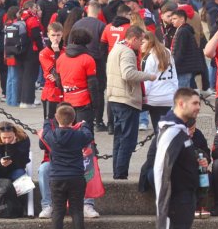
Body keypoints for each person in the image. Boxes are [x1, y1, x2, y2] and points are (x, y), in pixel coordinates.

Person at [154, 87, 202, 229]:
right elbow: (161, 171)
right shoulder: (172, 132)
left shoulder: (180, 131)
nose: (198, 107)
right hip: (175, 201)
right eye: (195, 103)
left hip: (185, 198)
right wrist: (166, 203)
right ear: (181, 104)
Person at [40, 104, 93, 229]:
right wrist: (83, 125)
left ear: (57, 119)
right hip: (76, 177)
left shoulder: (52, 135)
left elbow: (45, 132)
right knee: (77, 210)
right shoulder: (79, 136)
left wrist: (47, 120)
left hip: (57, 177)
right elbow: (88, 135)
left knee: (58, 211)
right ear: (73, 119)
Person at [106, 26, 156, 179]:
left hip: (115, 98)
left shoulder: (116, 48)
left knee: (119, 139)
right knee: (128, 140)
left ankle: (117, 173)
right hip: (126, 100)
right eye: (140, 40)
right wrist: (149, 76)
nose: (141, 44)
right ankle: (121, 174)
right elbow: (128, 73)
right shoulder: (127, 52)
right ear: (134, 39)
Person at [55, 28, 98, 135]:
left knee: (66, 133)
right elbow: (92, 84)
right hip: (83, 100)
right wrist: (95, 103)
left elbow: (58, 81)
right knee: (86, 133)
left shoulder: (61, 58)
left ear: (72, 40)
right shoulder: (88, 59)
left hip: (67, 99)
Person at [141, 32, 178, 135]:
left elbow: (147, 81)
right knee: (165, 129)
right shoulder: (167, 52)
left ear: (150, 42)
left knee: (158, 130)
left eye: (142, 42)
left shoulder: (149, 57)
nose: (140, 45)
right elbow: (174, 77)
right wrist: (174, 93)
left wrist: (143, 96)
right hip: (168, 96)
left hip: (154, 97)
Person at [170, 9, 206, 88]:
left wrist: (173, 64)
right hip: (185, 67)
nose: (172, 21)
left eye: (174, 18)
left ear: (182, 19)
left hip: (183, 68)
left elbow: (179, 51)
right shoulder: (183, 30)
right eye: (171, 19)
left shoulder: (182, 31)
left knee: (181, 92)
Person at [39, 22, 64, 120]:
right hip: (51, 92)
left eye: (58, 35)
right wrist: (56, 52)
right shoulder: (44, 53)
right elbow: (56, 72)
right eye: (53, 35)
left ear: (62, 34)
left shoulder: (66, 51)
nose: (56, 38)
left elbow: (64, 71)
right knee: (49, 121)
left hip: (64, 91)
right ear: (48, 35)